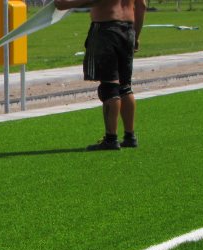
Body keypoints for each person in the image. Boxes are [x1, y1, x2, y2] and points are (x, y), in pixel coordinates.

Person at [54, 0, 146, 150]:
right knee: (125, 86)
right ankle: (130, 136)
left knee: (109, 85)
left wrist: (67, 3)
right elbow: (141, 6)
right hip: (128, 29)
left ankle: (111, 138)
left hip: (106, 29)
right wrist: (136, 35)